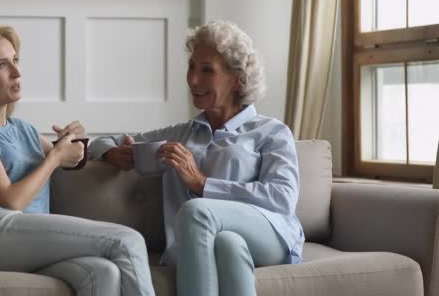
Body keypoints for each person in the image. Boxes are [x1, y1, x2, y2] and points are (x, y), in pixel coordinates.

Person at [0, 23, 156, 296]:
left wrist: (87, 144)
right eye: (2, 65)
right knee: (127, 241)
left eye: (15, 60)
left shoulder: (23, 130)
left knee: (101, 272)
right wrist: (55, 157)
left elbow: (73, 158)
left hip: (21, 240)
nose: (17, 72)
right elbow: (10, 200)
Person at [88, 20, 305, 296]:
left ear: (237, 78)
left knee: (196, 210)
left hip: (272, 234)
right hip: (219, 240)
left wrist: (202, 184)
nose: (192, 80)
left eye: (207, 71)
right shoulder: (181, 134)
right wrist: (110, 152)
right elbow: (103, 141)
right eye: (192, 67)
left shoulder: (271, 131)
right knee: (228, 245)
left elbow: (282, 198)